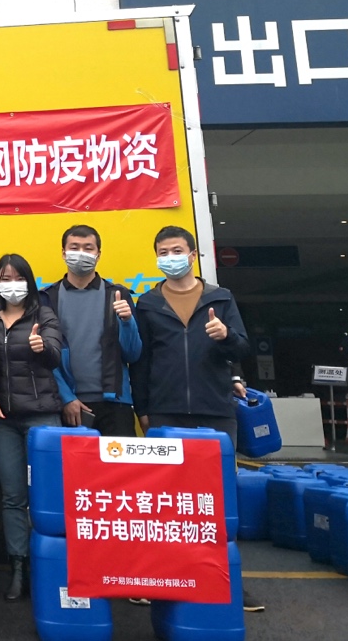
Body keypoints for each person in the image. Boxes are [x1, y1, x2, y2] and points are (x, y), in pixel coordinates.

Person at [128, 225, 262, 613]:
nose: (170, 257)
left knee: (217, 501)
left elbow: (242, 348)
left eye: (177, 250)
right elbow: (141, 361)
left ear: (192, 255)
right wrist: (142, 409)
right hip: (165, 411)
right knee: (165, 501)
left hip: (215, 411)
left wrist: (225, 336)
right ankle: (160, 580)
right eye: (163, 252)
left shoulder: (220, 298)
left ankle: (227, 580)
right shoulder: (148, 303)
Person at [0, 253, 63, 602]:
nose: (12, 284)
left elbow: (55, 356)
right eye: (5, 278)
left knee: (46, 495)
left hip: (42, 417)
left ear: (29, 280)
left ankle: (49, 567)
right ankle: (18, 568)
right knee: (12, 497)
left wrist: (42, 347)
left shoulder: (44, 314)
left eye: (18, 277)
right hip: (5, 420)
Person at [40, 224, 142, 437]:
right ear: (63, 253)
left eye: (88, 248)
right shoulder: (48, 298)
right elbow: (44, 356)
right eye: (74, 247)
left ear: (98, 254)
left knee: (119, 460)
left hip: (115, 404)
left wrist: (127, 322)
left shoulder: (117, 294)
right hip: (69, 405)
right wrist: (66, 398)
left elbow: (133, 354)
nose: (81, 254)